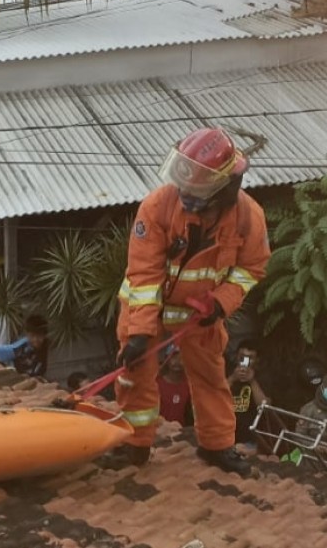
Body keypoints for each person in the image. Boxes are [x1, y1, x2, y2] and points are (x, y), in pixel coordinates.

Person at [115, 127, 270, 474]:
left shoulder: (248, 218)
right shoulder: (157, 206)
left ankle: (217, 446)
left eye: (196, 189)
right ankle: (135, 445)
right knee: (134, 373)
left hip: (199, 315)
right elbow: (143, 274)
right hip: (146, 309)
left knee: (211, 377)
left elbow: (252, 268)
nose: (185, 194)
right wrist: (140, 332)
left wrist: (220, 303)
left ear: (223, 188)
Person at [227, 339, 268, 454]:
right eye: (242, 357)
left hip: (249, 440)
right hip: (224, 434)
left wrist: (252, 381)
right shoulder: (227, 371)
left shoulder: (263, 377)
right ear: (236, 356)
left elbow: (265, 407)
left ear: (257, 360)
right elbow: (213, 398)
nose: (245, 361)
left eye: (250, 358)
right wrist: (232, 379)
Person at [157, 347, 194, 426]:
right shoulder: (157, 383)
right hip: (160, 431)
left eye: (181, 358)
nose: (178, 362)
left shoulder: (190, 384)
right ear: (167, 359)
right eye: (174, 358)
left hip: (182, 432)